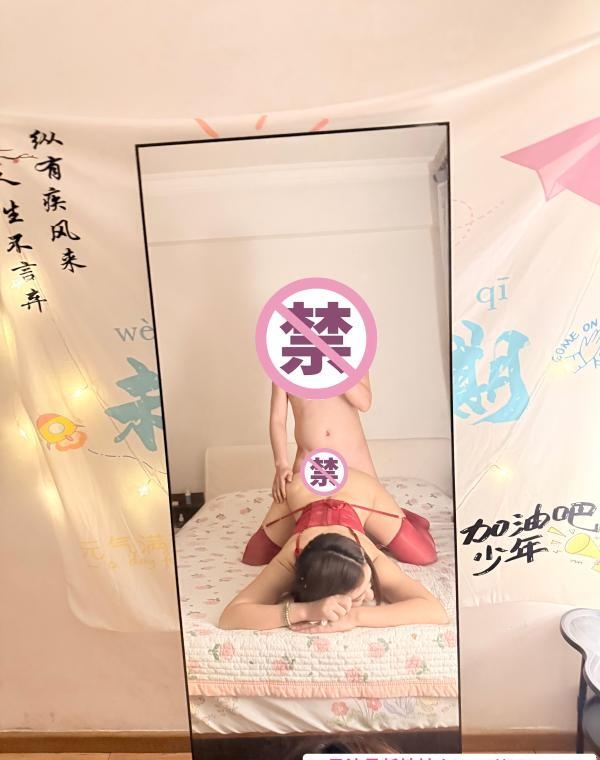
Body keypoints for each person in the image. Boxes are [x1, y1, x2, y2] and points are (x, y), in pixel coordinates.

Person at [219, 530, 448, 632]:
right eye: (358, 596)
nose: (371, 595)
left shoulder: (365, 558)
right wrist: (308, 610)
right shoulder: (288, 563)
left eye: (368, 585)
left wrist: (355, 617)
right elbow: (231, 616)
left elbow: (435, 610)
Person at [242, 467, 437, 567]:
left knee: (424, 556)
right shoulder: (296, 553)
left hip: (361, 493)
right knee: (254, 556)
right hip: (303, 492)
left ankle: (403, 515)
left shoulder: (369, 556)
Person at [270, 375, 376, 504]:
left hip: (355, 460)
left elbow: (364, 403)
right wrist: (281, 464)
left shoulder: (353, 363)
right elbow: (278, 420)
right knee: (305, 513)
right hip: (310, 461)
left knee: (378, 511)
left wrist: (337, 369)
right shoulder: (283, 368)